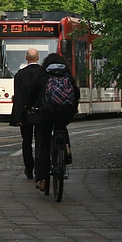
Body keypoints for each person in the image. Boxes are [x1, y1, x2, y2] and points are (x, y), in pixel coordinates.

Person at [29, 52, 81, 192]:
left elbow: (32, 93)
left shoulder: (43, 75)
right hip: (65, 112)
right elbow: (76, 92)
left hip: (47, 112)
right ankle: (66, 147)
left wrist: (29, 107)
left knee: (44, 144)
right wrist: (74, 108)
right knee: (62, 127)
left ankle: (43, 180)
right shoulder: (67, 75)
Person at [9, 47, 42, 180]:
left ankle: (29, 168)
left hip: (26, 113)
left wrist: (17, 118)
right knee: (40, 141)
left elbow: (18, 98)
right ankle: (40, 169)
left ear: (26, 58)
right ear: (38, 58)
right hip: (40, 114)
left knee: (26, 142)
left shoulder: (20, 75)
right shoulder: (43, 73)